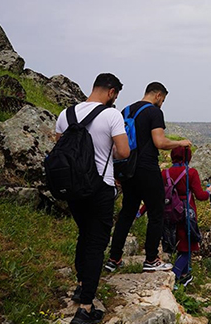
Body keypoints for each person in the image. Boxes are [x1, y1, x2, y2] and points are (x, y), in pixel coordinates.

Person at [55, 73, 130, 324]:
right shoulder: (111, 115)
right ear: (111, 92)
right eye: (116, 95)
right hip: (100, 188)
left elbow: (60, 149)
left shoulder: (65, 114)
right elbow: (123, 151)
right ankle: (85, 308)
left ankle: (80, 285)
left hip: (74, 188)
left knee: (84, 235)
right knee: (97, 244)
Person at [106, 82, 192, 272]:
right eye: (163, 100)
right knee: (156, 212)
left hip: (127, 169)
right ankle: (151, 259)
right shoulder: (154, 112)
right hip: (147, 168)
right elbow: (159, 142)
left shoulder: (126, 111)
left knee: (127, 213)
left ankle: (114, 258)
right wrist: (181, 143)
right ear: (159, 96)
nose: (162, 103)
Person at [164, 147, 211, 287]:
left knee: (180, 243)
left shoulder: (165, 173)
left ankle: (184, 276)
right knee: (189, 245)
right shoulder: (191, 172)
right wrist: (209, 191)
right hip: (187, 213)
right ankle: (174, 277)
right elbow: (200, 196)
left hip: (169, 212)